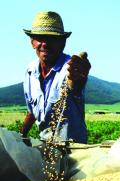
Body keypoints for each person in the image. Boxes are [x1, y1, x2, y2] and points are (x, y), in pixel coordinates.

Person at [20, 11, 91, 144]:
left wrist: (79, 79)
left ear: (62, 43)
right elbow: (32, 111)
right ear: (32, 42)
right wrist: (20, 136)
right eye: (40, 38)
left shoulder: (70, 68)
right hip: (46, 144)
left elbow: (74, 85)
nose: (45, 44)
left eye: (52, 39)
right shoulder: (30, 72)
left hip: (72, 148)